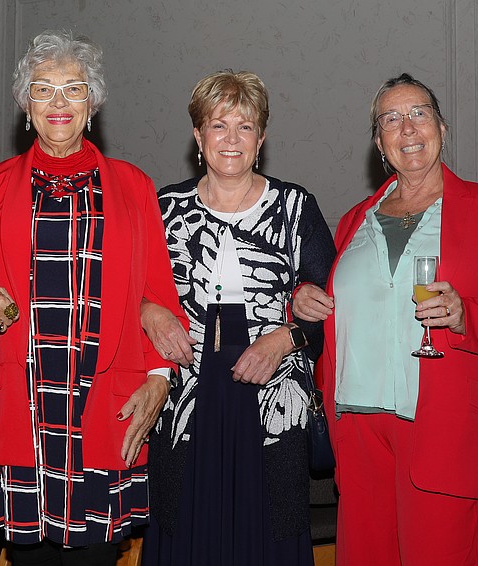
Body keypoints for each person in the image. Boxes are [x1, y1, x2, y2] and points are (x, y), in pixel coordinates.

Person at [294, 73, 478, 565]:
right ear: (379, 141)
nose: (408, 128)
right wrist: (305, 300)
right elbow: (344, 307)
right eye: (391, 119)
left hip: (446, 428)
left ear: (441, 127)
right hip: (358, 429)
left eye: (419, 113)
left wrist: (467, 317)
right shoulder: (357, 217)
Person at [0, 30, 187, 565]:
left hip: (104, 409)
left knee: (95, 559)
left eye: (73, 89)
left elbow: (160, 293)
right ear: (25, 105)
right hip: (20, 413)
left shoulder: (133, 187)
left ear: (93, 104)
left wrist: (159, 379)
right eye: (43, 90)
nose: (58, 103)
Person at [139, 70, 336, 566]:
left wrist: (285, 338)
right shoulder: (162, 206)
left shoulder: (296, 207)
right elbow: (127, 291)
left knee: (270, 523)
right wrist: (149, 310)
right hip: (184, 389)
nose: (231, 139)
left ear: (262, 137)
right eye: (218, 125)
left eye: (244, 127)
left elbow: (332, 304)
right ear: (198, 136)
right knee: (183, 515)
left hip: (272, 391)